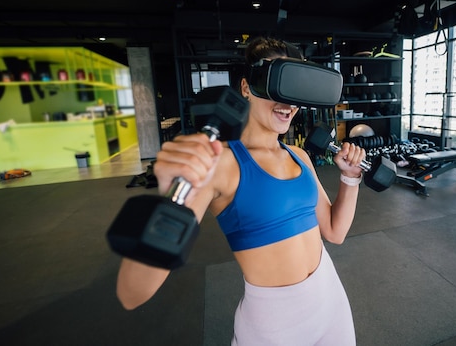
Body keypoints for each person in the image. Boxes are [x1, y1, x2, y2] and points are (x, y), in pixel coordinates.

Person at [115, 36, 366, 345]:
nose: (288, 103)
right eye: (278, 86)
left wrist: (350, 179)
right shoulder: (220, 163)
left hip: (331, 302)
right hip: (274, 324)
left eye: (295, 90)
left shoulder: (299, 156)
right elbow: (132, 293)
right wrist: (172, 195)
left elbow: (334, 232)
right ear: (246, 87)